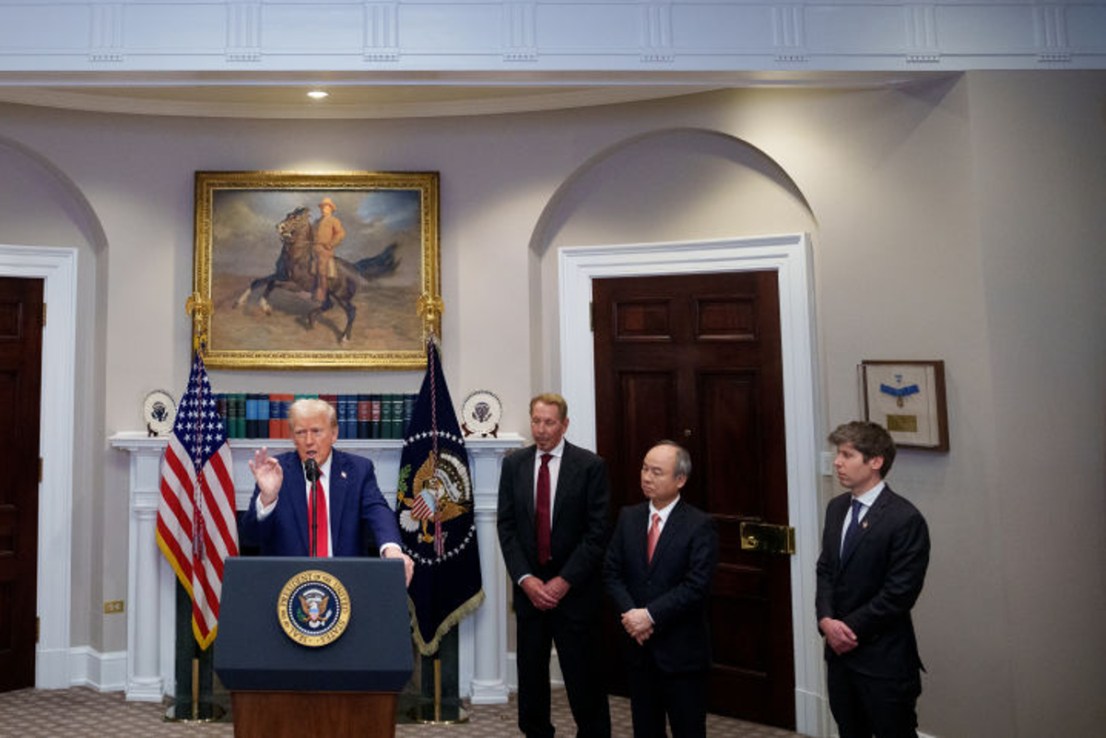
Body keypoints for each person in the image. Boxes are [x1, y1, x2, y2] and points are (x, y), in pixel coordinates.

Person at [496, 393, 612, 738]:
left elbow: (597, 533)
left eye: (548, 422)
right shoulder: (514, 465)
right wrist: (525, 579)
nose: (541, 430)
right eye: (536, 421)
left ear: (564, 424)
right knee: (531, 679)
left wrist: (563, 582)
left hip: (574, 592)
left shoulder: (590, 466)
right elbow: (507, 527)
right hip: (530, 593)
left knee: (583, 678)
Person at [816, 421, 930, 738]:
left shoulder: (904, 518)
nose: (837, 462)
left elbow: (899, 593)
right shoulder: (836, 509)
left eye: (847, 454)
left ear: (875, 461)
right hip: (840, 659)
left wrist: (847, 629)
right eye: (838, 453)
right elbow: (825, 569)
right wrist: (826, 619)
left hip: (884, 662)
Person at [604, 441, 719, 738]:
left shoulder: (699, 524)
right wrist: (632, 615)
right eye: (644, 468)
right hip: (639, 649)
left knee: (688, 729)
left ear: (680, 480)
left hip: (682, 652)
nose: (646, 477)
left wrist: (650, 616)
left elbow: (696, 587)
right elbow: (612, 572)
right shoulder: (628, 517)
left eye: (657, 472)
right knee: (645, 729)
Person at [240, 398, 413, 585]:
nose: (308, 441)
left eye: (316, 431)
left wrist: (392, 550)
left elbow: (378, 511)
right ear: (292, 437)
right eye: (300, 432)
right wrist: (268, 498)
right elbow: (252, 536)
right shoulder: (274, 472)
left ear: (334, 433)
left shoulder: (359, 470)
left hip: (347, 585)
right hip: (285, 588)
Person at [312, 197, 345, 302]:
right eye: (322, 207)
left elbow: (341, 233)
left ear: (331, 209)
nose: (323, 209)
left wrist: (331, 244)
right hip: (313, 247)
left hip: (325, 249)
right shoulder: (316, 222)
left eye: (325, 207)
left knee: (321, 268)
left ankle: (322, 292)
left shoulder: (334, 220)